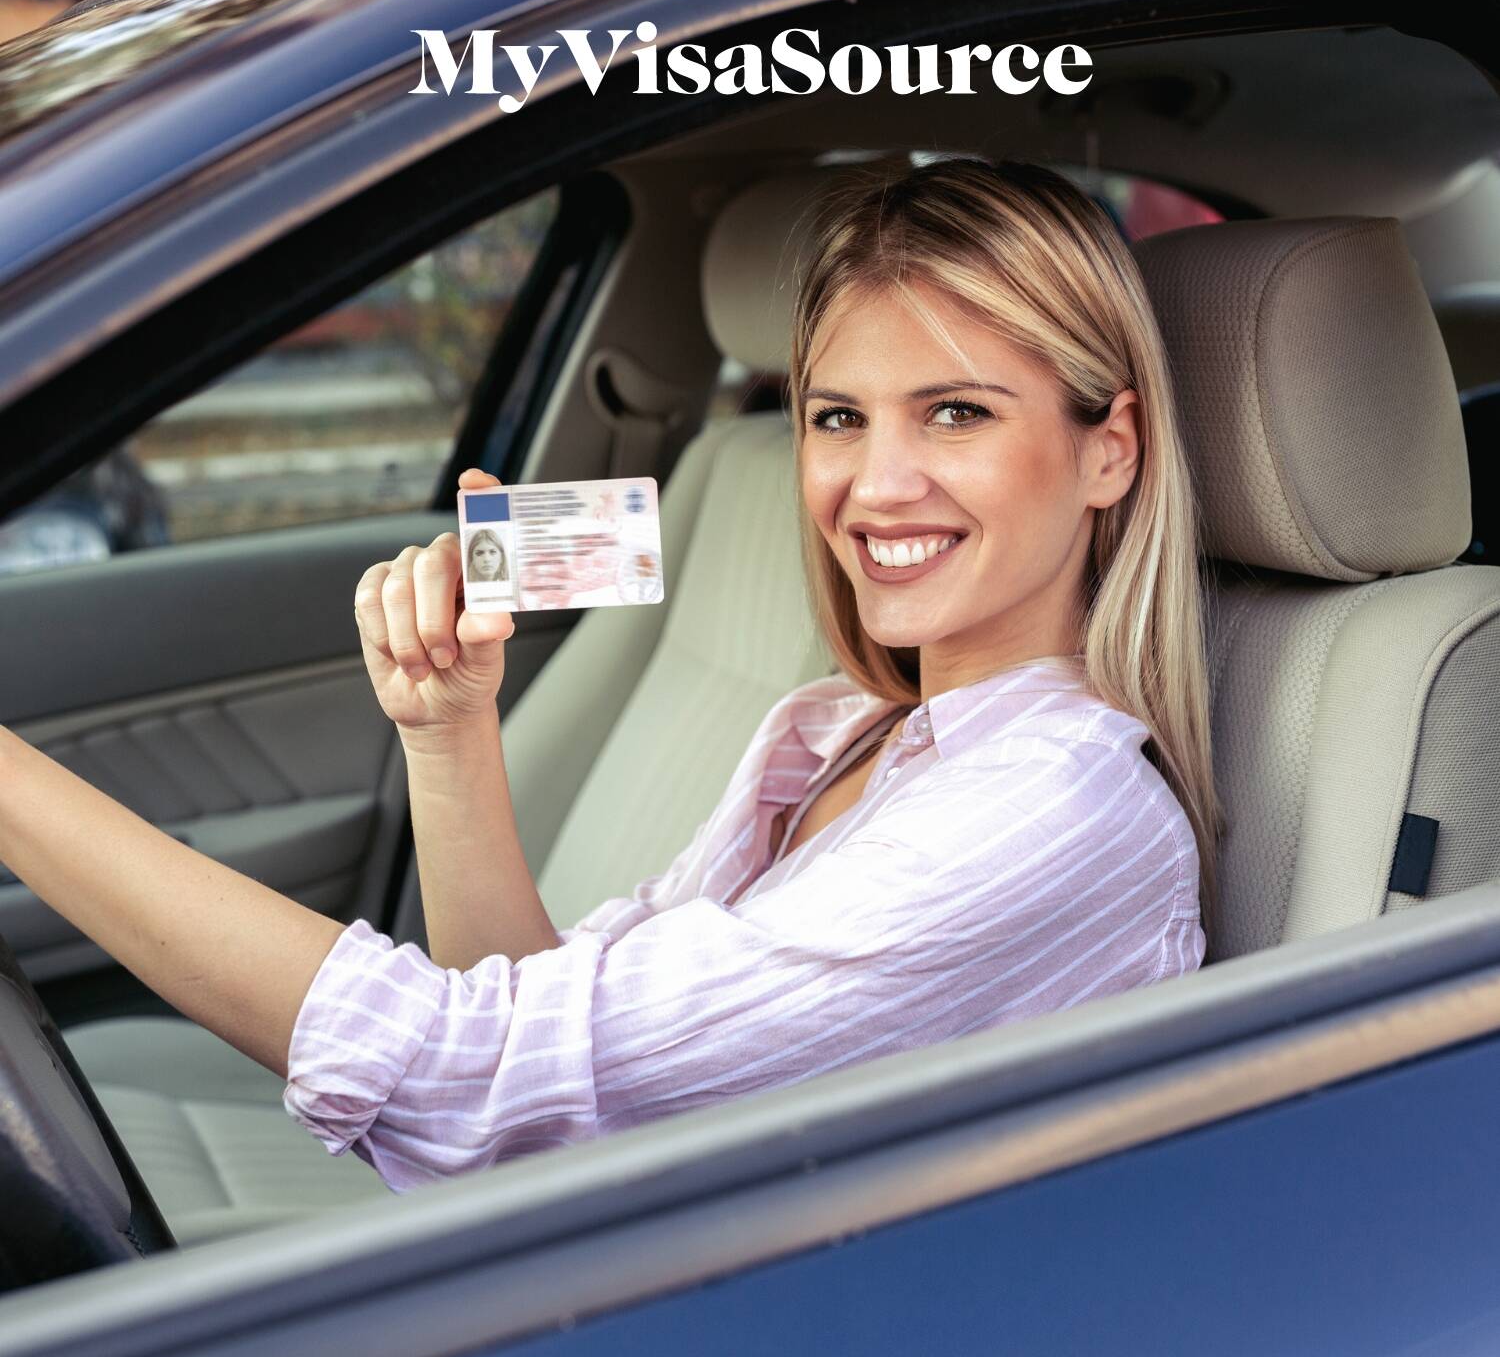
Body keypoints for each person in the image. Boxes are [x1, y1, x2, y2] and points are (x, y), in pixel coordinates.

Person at [0, 158, 1220, 1193]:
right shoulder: (843, 727)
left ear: (1108, 450)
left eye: (956, 413)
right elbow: (545, 1062)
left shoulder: (1056, 812)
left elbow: (467, 1079)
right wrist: (449, 731)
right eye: (837, 417)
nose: (876, 483)